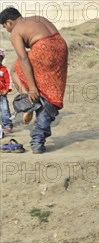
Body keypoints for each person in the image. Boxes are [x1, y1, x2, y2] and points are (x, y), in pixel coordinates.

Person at [0, 7, 68, 154]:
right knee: (50, 88)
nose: (7, 31)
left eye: (5, 27)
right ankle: (39, 135)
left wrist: (31, 88)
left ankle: (29, 102)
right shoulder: (37, 18)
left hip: (43, 48)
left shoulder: (17, 30)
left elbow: (24, 58)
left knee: (15, 69)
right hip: (61, 47)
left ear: (9, 22)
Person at [0, 48, 13, 136]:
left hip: (2, 94)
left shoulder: (3, 70)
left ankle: (7, 125)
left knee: (5, 109)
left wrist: (7, 89)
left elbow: (9, 80)